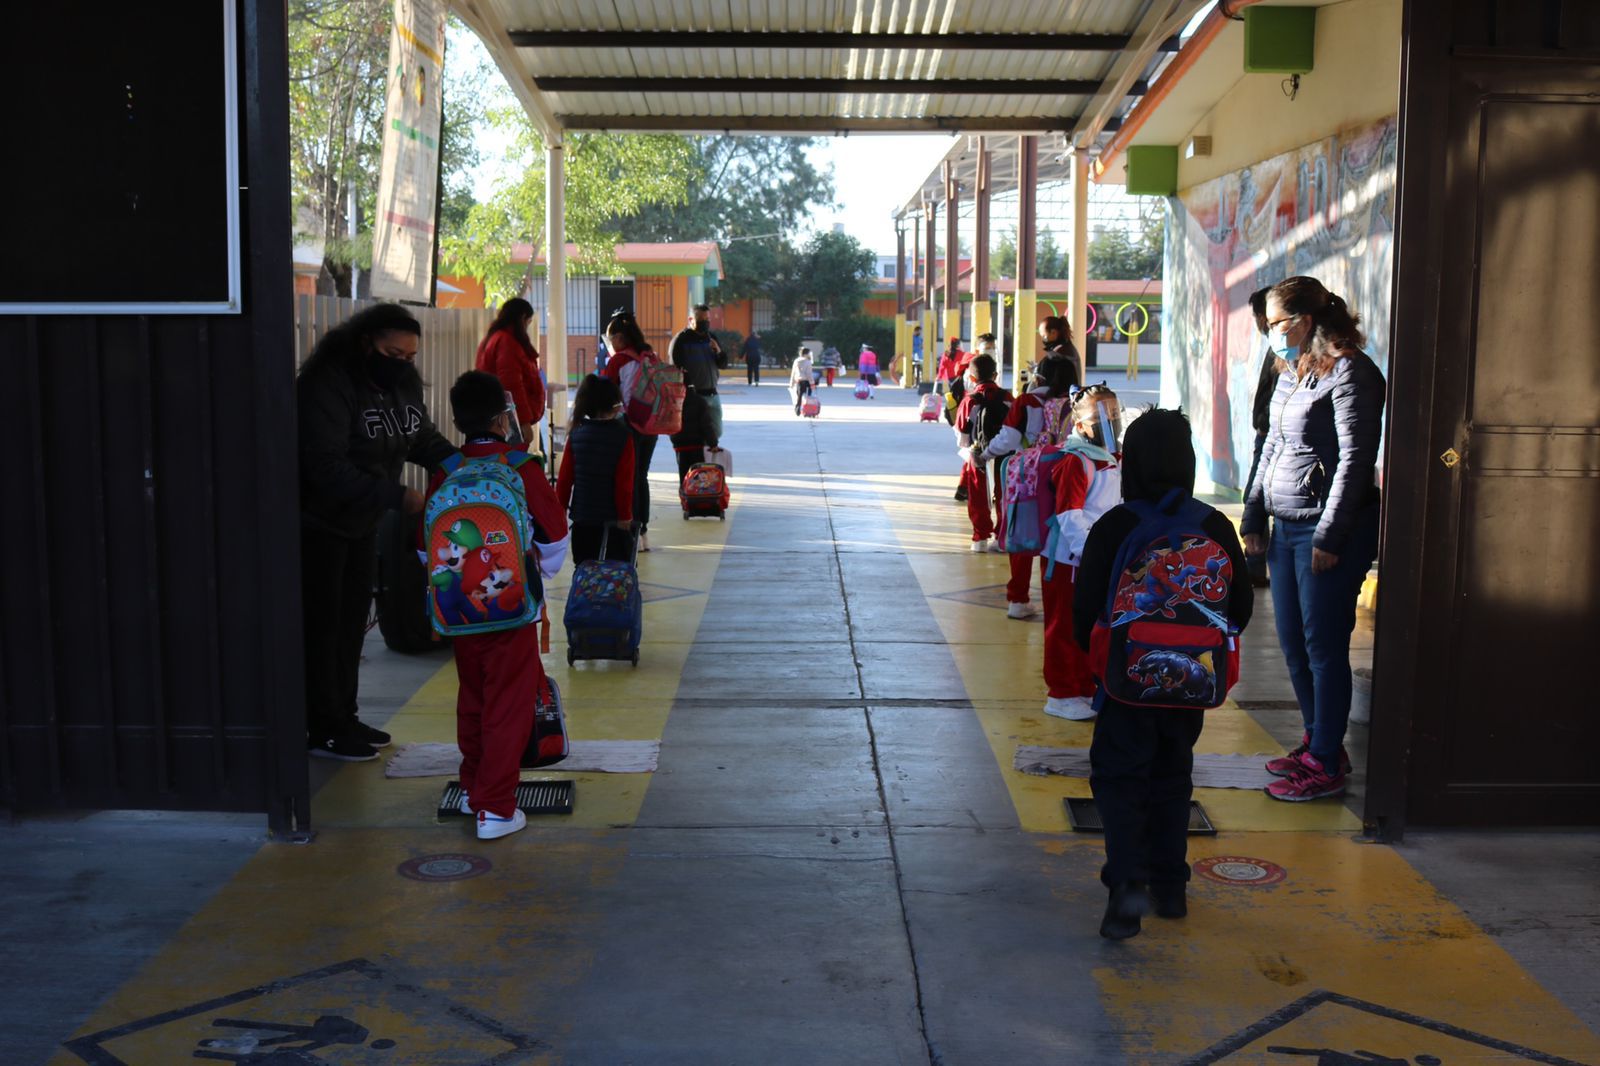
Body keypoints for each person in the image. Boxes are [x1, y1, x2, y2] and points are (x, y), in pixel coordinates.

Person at [1074, 407, 1253, 939]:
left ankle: (1127, 885)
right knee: (1173, 776)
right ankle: (1171, 888)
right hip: (1193, 681)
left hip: (1127, 683)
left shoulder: (1117, 524)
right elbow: (1238, 608)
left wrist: (1103, 666)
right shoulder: (1215, 524)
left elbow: (1085, 612)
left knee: (1119, 778)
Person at [1243, 276, 1385, 803]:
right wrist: (1254, 513)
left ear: (1305, 320)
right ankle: (1318, 742)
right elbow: (1272, 445)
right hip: (1286, 526)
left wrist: (1331, 533)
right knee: (1294, 646)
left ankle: (1326, 761)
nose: (1272, 334)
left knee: (1324, 649)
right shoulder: (1292, 369)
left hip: (1329, 533)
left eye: (1277, 323)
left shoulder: (1351, 373)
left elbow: (1355, 461)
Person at [297, 303, 457, 761]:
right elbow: (324, 466)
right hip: (319, 525)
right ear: (365, 343)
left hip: (361, 525)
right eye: (394, 353)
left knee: (350, 627)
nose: (403, 363)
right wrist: (396, 497)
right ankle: (320, 727)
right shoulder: (325, 385)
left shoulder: (401, 384)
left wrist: (461, 465)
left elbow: (419, 436)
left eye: (409, 357)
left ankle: (343, 716)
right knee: (321, 630)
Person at [427, 370, 568, 839]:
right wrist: (535, 578)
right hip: (511, 610)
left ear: (457, 419)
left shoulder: (445, 472)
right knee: (509, 704)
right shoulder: (521, 468)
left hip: (461, 612)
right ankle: (497, 808)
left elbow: (427, 550)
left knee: (473, 697)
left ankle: (473, 788)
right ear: (501, 416)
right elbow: (554, 539)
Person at [1039, 384, 1123, 720]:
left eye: (1115, 414)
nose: (1111, 422)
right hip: (1067, 560)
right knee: (1063, 625)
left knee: (1089, 624)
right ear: (1081, 424)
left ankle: (1083, 687)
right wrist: (1090, 554)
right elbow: (1069, 516)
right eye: (1102, 416)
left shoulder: (1111, 458)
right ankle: (1060, 693)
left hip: (1094, 559)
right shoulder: (1076, 461)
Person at [980, 355, 1082, 619]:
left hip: (1029, 475)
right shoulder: (1080, 402)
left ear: (1041, 377)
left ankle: (1018, 599)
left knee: (1023, 534)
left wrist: (986, 453)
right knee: (1062, 535)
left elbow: (1009, 438)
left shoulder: (1027, 402)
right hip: (1069, 471)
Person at [556, 374, 636, 565]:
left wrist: (559, 512)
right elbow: (624, 483)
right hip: (613, 521)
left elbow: (565, 480)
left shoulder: (576, 433)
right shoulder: (623, 436)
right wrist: (625, 515)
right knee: (615, 573)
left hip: (583, 519)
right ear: (613, 405)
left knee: (584, 571)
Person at [599, 310, 660, 553]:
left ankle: (629, 531)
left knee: (628, 479)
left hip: (627, 426)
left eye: (611, 338)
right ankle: (643, 531)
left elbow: (607, 394)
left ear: (620, 338)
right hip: (651, 426)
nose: (610, 344)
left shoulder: (618, 361)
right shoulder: (650, 357)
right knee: (641, 477)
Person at [953, 354, 1012, 552]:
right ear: (995, 375)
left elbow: (961, 433)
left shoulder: (969, 401)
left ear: (971, 378)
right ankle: (1002, 538)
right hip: (1005, 454)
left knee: (978, 496)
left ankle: (980, 539)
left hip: (977, 454)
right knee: (1004, 495)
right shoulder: (1007, 398)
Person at [1243, 286, 1278, 588]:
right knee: (1255, 498)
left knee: (1256, 496)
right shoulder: (1276, 346)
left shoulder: (1284, 349)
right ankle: (1255, 565)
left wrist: (1266, 425)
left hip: (1270, 436)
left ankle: (1256, 564)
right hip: (1265, 434)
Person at [475, 297, 545, 443]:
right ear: (522, 318)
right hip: (506, 421)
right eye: (528, 322)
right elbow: (512, 385)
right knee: (512, 461)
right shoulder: (507, 342)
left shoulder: (493, 338)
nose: (527, 327)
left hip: (496, 417)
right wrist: (524, 422)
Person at [668, 304, 726, 438]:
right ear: (691, 320)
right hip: (693, 396)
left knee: (716, 433)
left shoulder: (712, 338)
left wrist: (718, 350)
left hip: (713, 394)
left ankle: (708, 456)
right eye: (700, 318)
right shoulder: (681, 340)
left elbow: (723, 364)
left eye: (707, 318)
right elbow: (675, 369)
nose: (704, 321)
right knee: (695, 434)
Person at [672, 384, 720, 483]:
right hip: (697, 446)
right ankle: (697, 496)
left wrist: (674, 438)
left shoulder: (674, 401)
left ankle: (685, 496)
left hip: (680, 446)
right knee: (698, 476)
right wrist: (713, 443)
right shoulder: (700, 401)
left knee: (684, 475)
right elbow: (707, 425)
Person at [789, 347, 814, 416]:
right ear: (806, 354)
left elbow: (793, 372)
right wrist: (812, 383)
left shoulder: (796, 361)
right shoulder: (808, 362)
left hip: (798, 381)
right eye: (809, 353)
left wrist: (791, 383)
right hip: (806, 381)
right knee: (807, 396)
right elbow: (809, 374)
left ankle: (797, 409)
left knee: (799, 396)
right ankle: (807, 409)